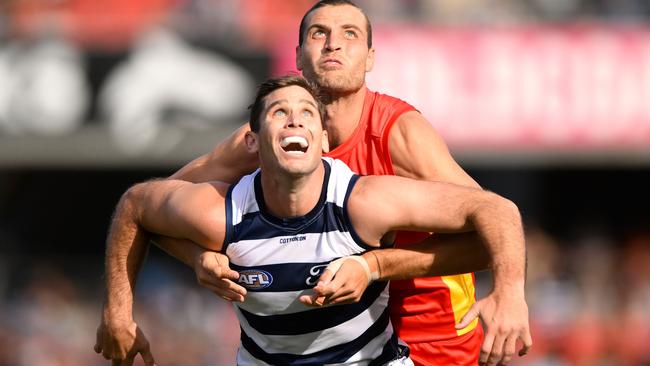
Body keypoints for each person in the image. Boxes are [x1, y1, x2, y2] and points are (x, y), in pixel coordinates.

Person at [96, 1, 531, 365]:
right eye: (318, 33)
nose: (333, 43)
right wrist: (195, 258)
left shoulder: (398, 132)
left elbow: (493, 222)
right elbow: (148, 214)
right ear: (299, 55)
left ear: (371, 59)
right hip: (316, 328)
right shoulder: (263, 140)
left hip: (426, 327)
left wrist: (378, 267)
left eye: (349, 34)